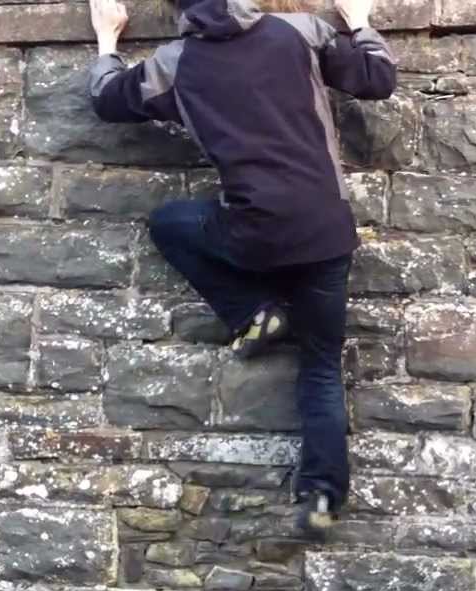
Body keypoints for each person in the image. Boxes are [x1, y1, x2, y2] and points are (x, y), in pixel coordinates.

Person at [86, 0, 397, 534]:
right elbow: (376, 78)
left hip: (252, 234)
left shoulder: (176, 61)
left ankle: (254, 312)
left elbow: (110, 100)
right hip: (325, 231)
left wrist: (107, 43)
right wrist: (361, 20)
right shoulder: (301, 32)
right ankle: (322, 495)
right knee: (321, 367)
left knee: (170, 223)